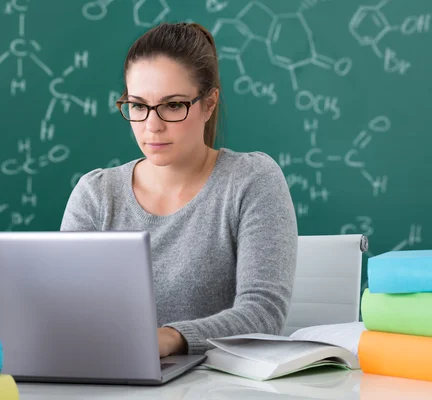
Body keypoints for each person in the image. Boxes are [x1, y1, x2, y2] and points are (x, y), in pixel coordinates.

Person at [60, 22, 298, 357]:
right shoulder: (95, 194)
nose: (151, 126)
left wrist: (170, 338)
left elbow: (263, 314)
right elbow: (64, 310)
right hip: (113, 381)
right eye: (138, 106)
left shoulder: (251, 180)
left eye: (173, 105)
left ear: (209, 104)